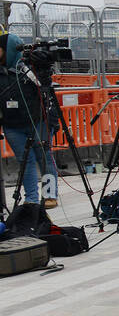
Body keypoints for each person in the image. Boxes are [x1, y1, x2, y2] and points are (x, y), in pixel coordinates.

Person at [0, 29, 59, 209]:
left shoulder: (29, 69)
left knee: (45, 158)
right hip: (12, 126)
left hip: (38, 121)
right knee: (24, 161)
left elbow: (47, 92)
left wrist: (53, 121)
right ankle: (31, 198)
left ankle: (50, 194)